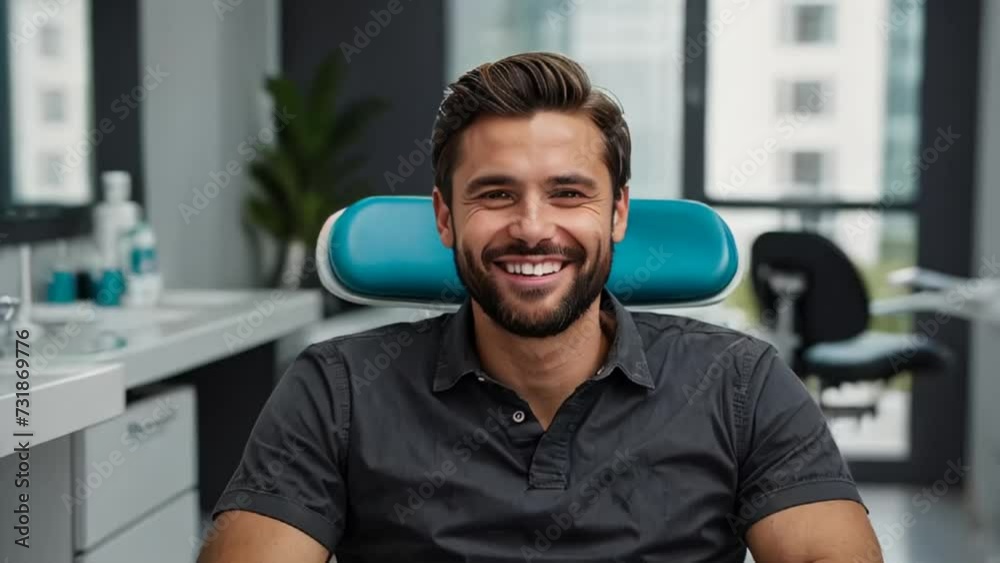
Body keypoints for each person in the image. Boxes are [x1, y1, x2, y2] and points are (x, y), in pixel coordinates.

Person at [198, 52, 882, 563]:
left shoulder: (741, 383)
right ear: (445, 217)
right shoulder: (337, 390)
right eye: (495, 194)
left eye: (567, 193)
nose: (531, 226)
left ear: (617, 214)